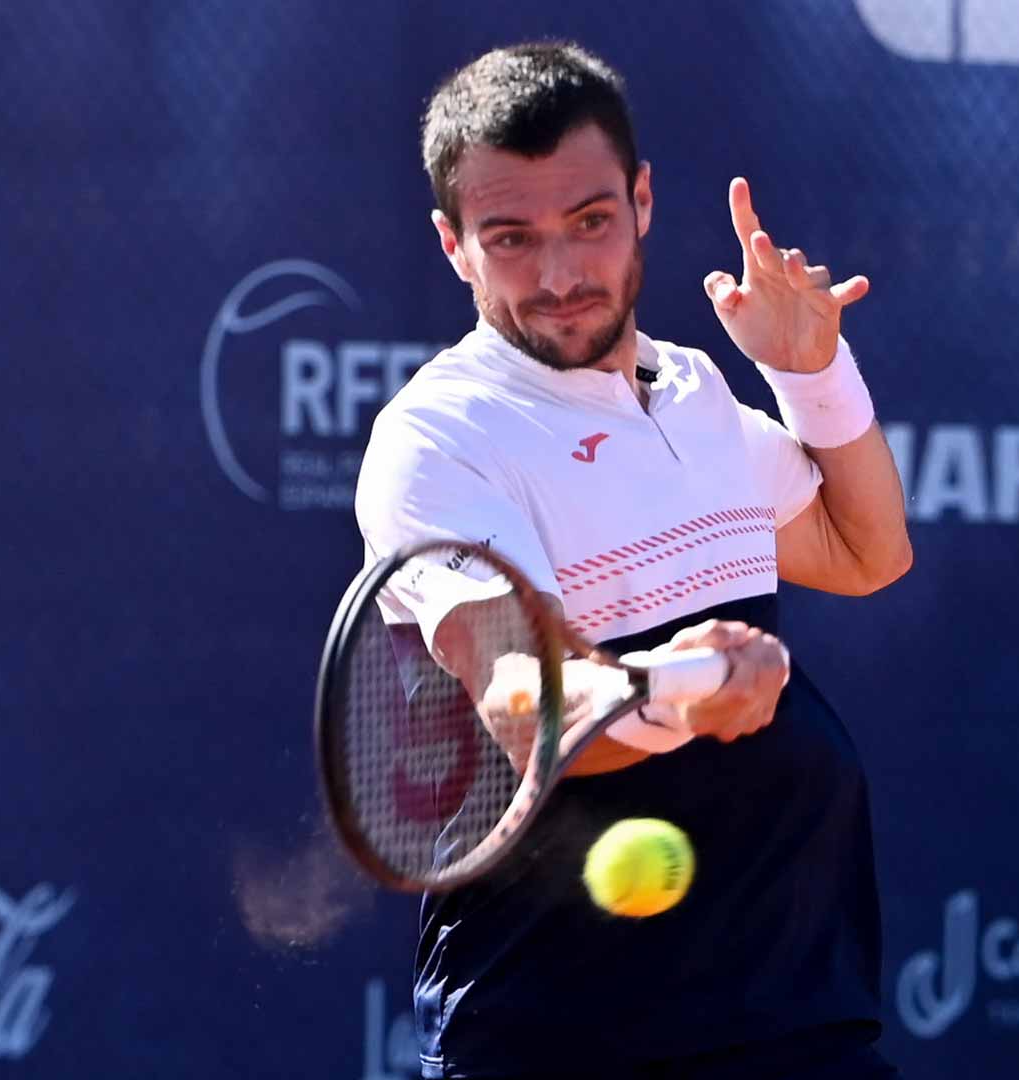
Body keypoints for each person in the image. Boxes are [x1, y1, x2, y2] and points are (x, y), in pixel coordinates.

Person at [353, 40, 912, 1080]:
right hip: (560, 1038)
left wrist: (813, 372)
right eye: (511, 238)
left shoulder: (691, 390)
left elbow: (866, 550)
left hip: (795, 1014)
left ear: (643, 201)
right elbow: (524, 701)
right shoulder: (440, 437)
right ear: (453, 245)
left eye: (591, 223)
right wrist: (684, 691)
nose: (561, 275)